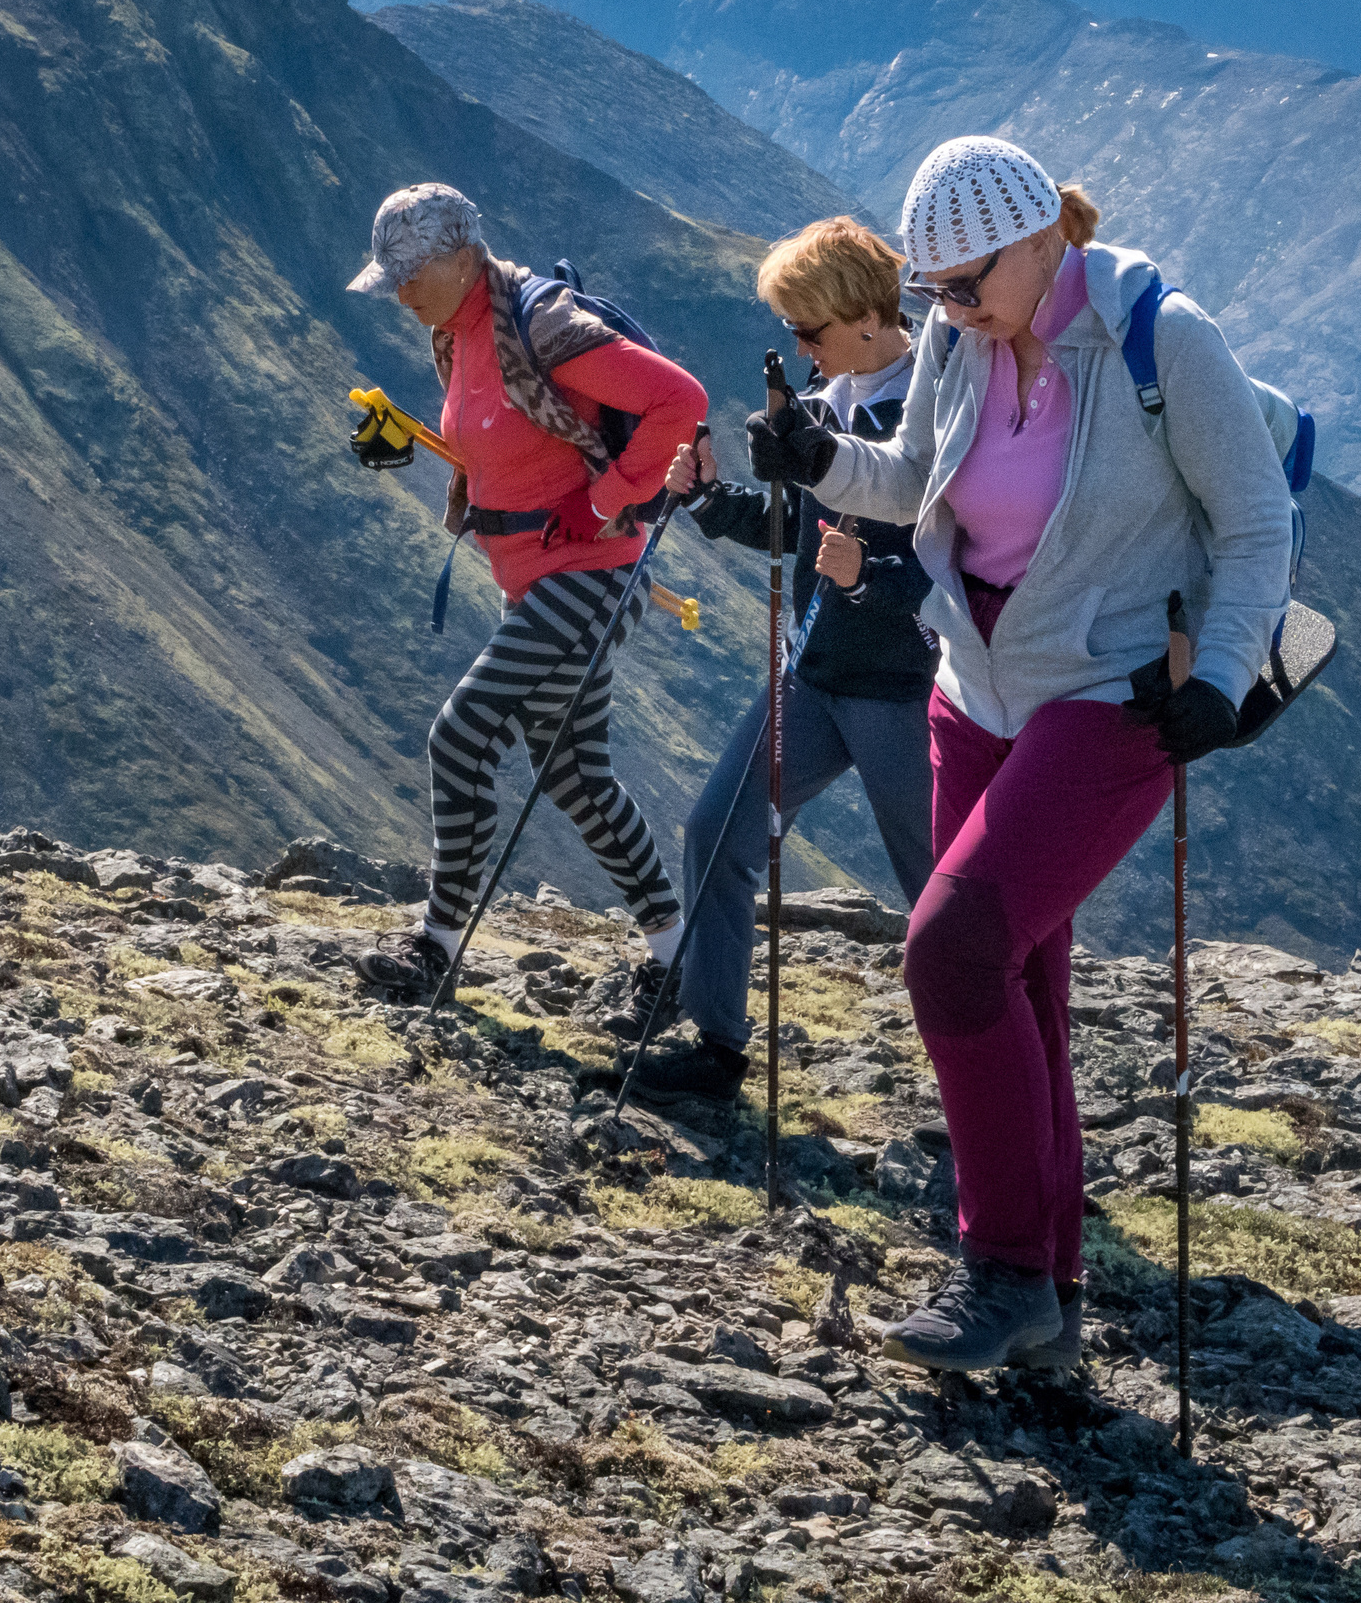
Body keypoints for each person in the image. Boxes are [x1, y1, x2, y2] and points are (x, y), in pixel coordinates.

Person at [750, 137, 1291, 1376]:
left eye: (967, 281)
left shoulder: (1162, 339)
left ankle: (997, 1268)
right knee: (1019, 983)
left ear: (1043, 239)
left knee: (950, 953)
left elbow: (1255, 522)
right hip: (971, 686)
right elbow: (911, 481)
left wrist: (1218, 678)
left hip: (1110, 695)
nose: (948, 308)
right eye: (932, 289)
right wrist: (818, 462)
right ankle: (1048, 1297)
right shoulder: (958, 340)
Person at [345, 184, 708, 1004]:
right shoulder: (460, 332)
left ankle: (434, 951)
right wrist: (405, 445)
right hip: (541, 581)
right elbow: (505, 444)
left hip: (591, 577)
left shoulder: (542, 324)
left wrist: (605, 500)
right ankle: (677, 961)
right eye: (391, 279)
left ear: (461, 257)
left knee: (461, 736)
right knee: (575, 776)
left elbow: (680, 401)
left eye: (409, 275)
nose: (400, 294)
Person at [616, 217, 939, 1100]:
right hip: (815, 674)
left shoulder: (938, 406)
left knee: (944, 896)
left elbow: (975, 556)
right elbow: (796, 530)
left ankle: (994, 1101)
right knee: (715, 834)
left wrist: (870, 577)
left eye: (808, 327)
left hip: (909, 693)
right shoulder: (825, 403)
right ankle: (716, 1045)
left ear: (866, 317)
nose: (798, 346)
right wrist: (708, 498)